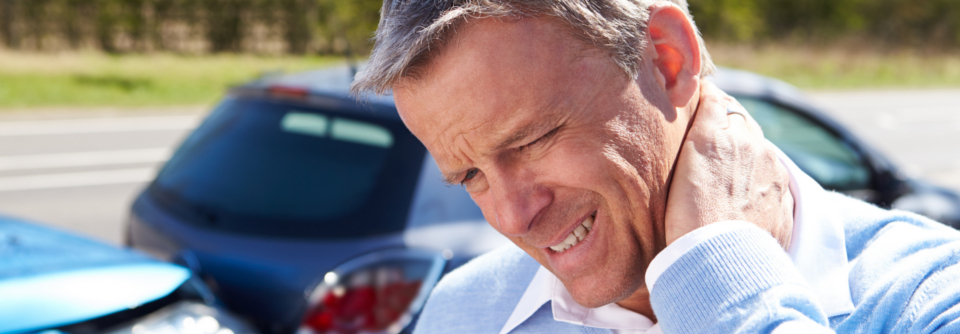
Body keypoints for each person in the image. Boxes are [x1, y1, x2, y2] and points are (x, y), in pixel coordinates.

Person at [351, 1, 960, 333]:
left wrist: (717, 276)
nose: (512, 216)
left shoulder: (930, 297)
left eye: (532, 140)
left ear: (668, 60)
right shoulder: (465, 313)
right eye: (470, 177)